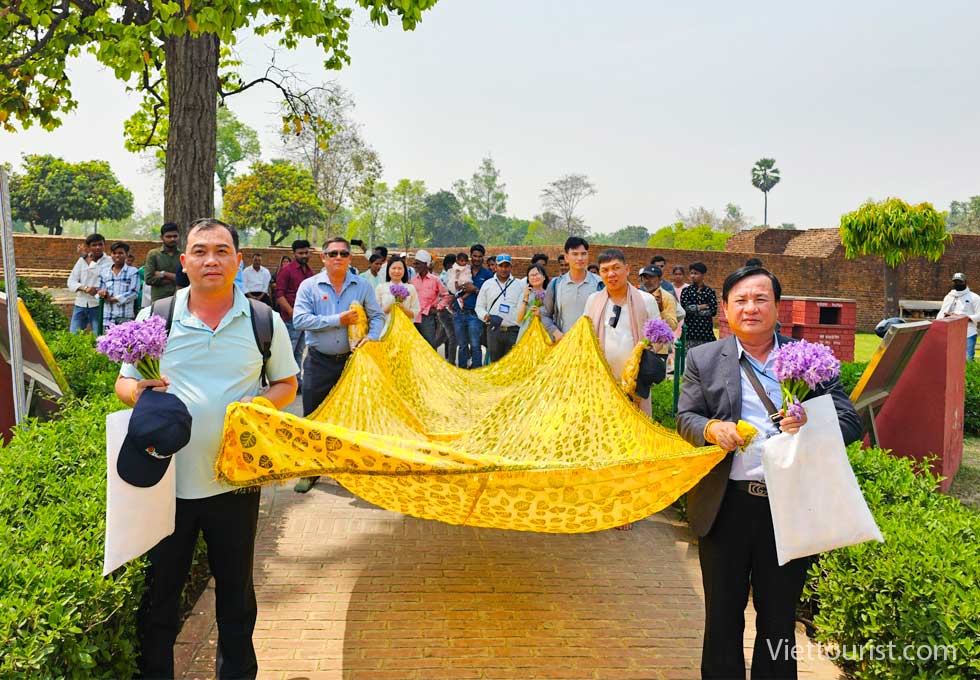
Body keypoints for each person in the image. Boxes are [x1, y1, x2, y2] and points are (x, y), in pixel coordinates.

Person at [114, 218, 299, 679]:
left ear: (238, 260)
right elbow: (124, 381)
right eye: (200, 251)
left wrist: (259, 405)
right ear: (184, 261)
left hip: (234, 485)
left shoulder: (263, 320)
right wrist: (139, 394)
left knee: (236, 600)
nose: (210, 260)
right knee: (160, 600)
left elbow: (286, 383)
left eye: (221, 251)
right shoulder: (158, 316)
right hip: (166, 483)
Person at [676, 265, 861, 679]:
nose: (751, 308)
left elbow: (851, 421)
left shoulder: (809, 358)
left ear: (778, 307)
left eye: (761, 299)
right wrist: (711, 428)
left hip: (788, 508)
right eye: (740, 300)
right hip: (725, 507)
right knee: (722, 617)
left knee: (778, 620)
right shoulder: (704, 359)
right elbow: (686, 417)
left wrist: (810, 420)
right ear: (725, 309)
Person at [292, 237, 384, 493]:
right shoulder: (309, 286)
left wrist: (372, 337)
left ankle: (345, 468)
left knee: (351, 417)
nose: (339, 258)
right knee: (313, 416)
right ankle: (312, 470)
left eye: (344, 253)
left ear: (350, 258)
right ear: (323, 258)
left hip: (351, 363)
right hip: (318, 361)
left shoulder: (362, 285)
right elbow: (300, 320)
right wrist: (337, 320)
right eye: (333, 254)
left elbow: (377, 316)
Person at [584, 249, 662, 414]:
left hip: (635, 384)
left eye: (616, 268)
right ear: (600, 274)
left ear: (627, 269)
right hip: (603, 382)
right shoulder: (593, 301)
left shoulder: (646, 300)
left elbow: (660, 338)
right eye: (605, 270)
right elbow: (585, 337)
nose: (611, 274)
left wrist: (644, 351)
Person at [541, 236, 602, 342]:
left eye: (583, 254)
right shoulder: (556, 284)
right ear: (566, 257)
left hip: (592, 345)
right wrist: (555, 332)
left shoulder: (600, 284)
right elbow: (545, 314)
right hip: (564, 344)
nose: (580, 258)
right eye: (575, 254)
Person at [275, 240, 315, 392]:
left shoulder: (309, 271)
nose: (304, 255)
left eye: (306, 252)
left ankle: (297, 382)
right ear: (294, 254)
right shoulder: (287, 270)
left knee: (299, 352)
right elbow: (279, 295)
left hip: (306, 318)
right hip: (291, 319)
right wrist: (291, 312)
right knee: (288, 352)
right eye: (300, 253)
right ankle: (283, 383)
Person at [475, 254, 526, 362]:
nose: (503, 269)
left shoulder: (519, 285)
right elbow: (479, 306)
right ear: (496, 267)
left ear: (511, 267)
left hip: (513, 331)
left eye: (506, 266)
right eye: (501, 266)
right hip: (494, 331)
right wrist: (485, 316)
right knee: (495, 364)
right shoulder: (487, 284)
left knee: (512, 364)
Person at [454, 244, 493, 368]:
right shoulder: (464, 270)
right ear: (470, 256)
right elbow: (454, 286)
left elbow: (489, 295)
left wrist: (475, 289)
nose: (477, 259)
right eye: (474, 256)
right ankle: (462, 371)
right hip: (459, 313)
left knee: (476, 345)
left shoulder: (488, 275)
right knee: (462, 346)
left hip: (475, 315)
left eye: (479, 256)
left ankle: (476, 371)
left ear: (483, 257)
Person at [68, 232, 112, 334]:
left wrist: (86, 257)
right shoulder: (81, 261)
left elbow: (100, 273)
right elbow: (71, 281)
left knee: (99, 336)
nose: (98, 247)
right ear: (89, 247)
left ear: (104, 245)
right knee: (74, 335)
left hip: (98, 305)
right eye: (94, 245)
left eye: (100, 244)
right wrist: (85, 288)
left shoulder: (109, 261)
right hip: (80, 303)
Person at [638, 265, 678, 364]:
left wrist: (661, 310)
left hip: (659, 350)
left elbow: (673, 326)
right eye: (645, 277)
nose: (647, 281)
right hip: (639, 346)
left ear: (660, 279)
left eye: (651, 277)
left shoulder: (667, 298)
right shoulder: (638, 296)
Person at [411, 250, 449, 349]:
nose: (415, 266)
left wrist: (438, 308)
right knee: (415, 346)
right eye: (415, 263)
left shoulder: (435, 280)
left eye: (417, 263)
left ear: (425, 264)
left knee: (430, 346)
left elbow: (446, 296)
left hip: (428, 318)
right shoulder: (412, 281)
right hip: (414, 317)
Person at [938, 272, 980, 361]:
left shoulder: (974, 297)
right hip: (951, 333)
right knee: (951, 360)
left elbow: (979, 315)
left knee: (967, 360)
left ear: (965, 282)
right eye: (956, 282)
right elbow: (941, 314)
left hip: (968, 332)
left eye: (960, 282)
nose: (958, 284)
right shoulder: (949, 297)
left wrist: (960, 318)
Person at [97, 241, 140, 327]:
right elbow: (99, 291)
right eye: (114, 253)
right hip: (107, 317)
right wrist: (102, 293)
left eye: (120, 253)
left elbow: (134, 293)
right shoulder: (104, 272)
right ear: (111, 255)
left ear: (126, 255)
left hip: (125, 317)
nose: (117, 255)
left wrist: (114, 299)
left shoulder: (133, 272)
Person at [376, 255, 421, 333]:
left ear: (404, 270)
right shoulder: (381, 288)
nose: (396, 271)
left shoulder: (410, 288)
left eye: (400, 268)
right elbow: (376, 313)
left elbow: (415, 312)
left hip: (405, 331)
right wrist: (388, 309)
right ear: (388, 270)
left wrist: (403, 309)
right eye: (394, 268)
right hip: (385, 331)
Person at [680, 262, 718, 349]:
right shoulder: (686, 291)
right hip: (690, 333)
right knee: (688, 356)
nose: (693, 276)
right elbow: (685, 309)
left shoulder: (710, 292)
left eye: (696, 273)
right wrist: (702, 307)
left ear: (703, 275)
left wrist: (694, 309)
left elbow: (713, 311)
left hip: (706, 333)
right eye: (691, 273)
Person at [144, 222, 182, 302]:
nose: (172, 239)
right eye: (168, 236)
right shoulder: (153, 254)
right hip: (159, 300)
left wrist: (164, 274)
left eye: (175, 236)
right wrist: (176, 279)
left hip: (179, 299)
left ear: (179, 236)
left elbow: (187, 279)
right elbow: (148, 279)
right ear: (161, 237)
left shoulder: (183, 255)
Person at [516, 264, 550, 341]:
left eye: (537, 274)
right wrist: (525, 298)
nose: (534, 277)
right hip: (526, 335)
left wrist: (541, 314)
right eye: (532, 275)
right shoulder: (524, 294)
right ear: (528, 279)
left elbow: (554, 317)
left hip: (544, 335)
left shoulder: (549, 295)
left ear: (544, 277)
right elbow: (518, 319)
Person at [437, 254, 458, 362]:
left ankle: (427, 351)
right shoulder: (446, 278)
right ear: (449, 265)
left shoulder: (445, 276)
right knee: (453, 337)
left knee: (443, 337)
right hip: (446, 310)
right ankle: (451, 362)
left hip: (445, 310)